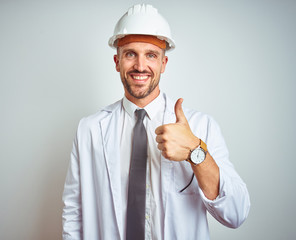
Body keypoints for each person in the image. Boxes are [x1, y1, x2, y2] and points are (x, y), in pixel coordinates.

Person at [62, 4, 250, 240]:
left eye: (151, 55)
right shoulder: (88, 129)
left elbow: (236, 213)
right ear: (117, 61)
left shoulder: (201, 127)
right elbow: (73, 211)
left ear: (163, 63)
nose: (140, 66)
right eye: (130, 53)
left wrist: (195, 150)